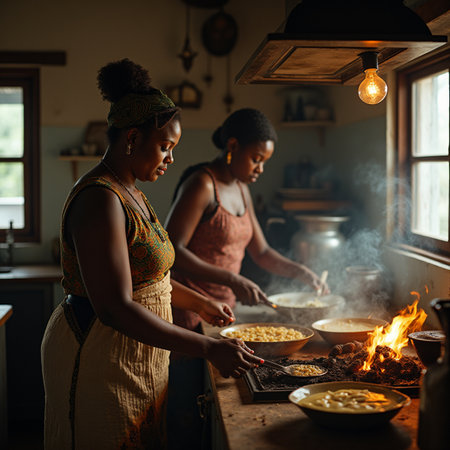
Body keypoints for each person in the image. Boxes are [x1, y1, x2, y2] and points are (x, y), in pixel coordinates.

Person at [40, 59, 262, 450]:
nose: (171, 158)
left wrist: (201, 301)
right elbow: (114, 307)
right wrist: (208, 346)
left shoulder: (133, 194)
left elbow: (151, 279)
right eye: (165, 146)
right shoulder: (99, 198)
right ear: (130, 138)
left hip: (134, 354)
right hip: (98, 351)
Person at [164, 107, 327, 449]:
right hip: (187, 310)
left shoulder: (241, 188)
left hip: (224, 313)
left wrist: (301, 271)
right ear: (232, 146)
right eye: (256, 158)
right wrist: (232, 279)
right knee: (186, 406)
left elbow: (262, 252)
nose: (260, 168)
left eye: (264, 161)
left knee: (211, 400)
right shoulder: (202, 184)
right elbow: (172, 249)